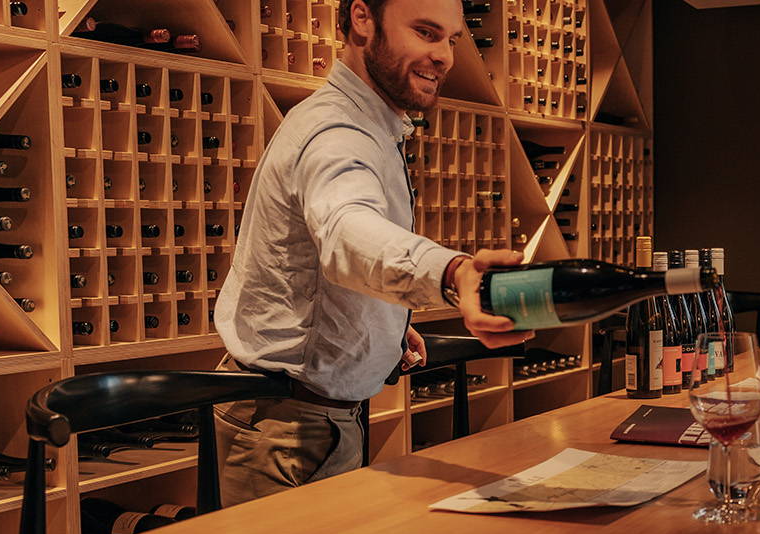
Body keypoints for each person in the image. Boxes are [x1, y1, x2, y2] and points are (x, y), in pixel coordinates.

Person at [212, 0, 531, 507]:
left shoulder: (372, 127)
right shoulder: (337, 133)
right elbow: (347, 232)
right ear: (362, 19)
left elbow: (326, 262)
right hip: (288, 428)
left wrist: (379, 326)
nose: (445, 56)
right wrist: (452, 271)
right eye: (426, 32)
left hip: (307, 418)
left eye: (452, 39)